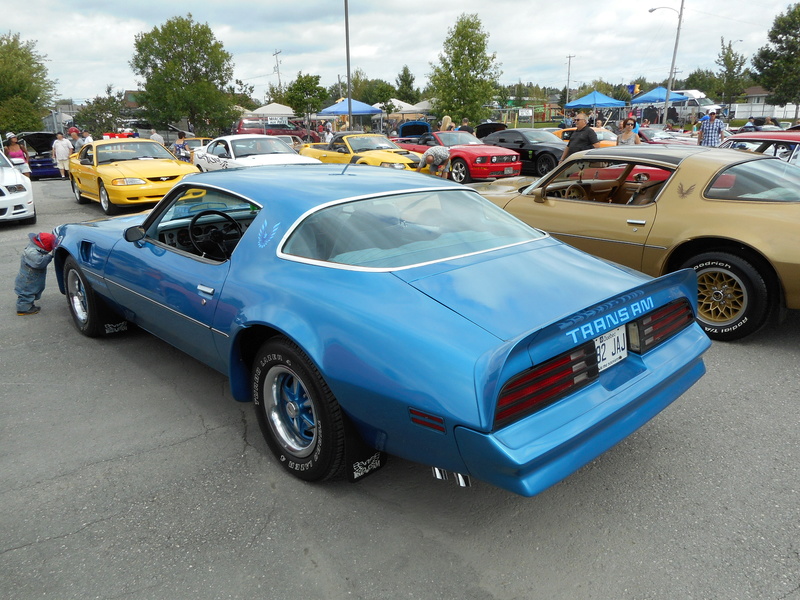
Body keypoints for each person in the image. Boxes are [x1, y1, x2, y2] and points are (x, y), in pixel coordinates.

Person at [15, 232, 57, 316]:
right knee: (27, 293)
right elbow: (39, 263)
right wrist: (49, 256)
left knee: (31, 291)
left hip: (31, 278)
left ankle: (29, 305)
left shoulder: (33, 247)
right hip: (28, 279)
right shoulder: (32, 252)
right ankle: (23, 309)